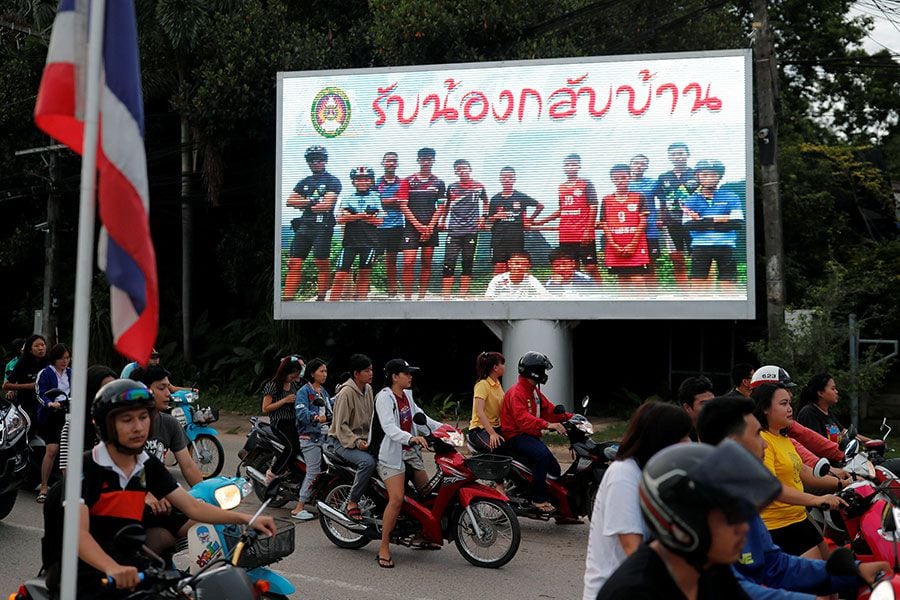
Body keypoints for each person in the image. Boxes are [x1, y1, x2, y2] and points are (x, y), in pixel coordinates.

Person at [42, 379, 276, 599]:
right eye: (127, 420)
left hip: (133, 567)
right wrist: (111, 568)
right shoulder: (85, 468)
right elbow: (78, 534)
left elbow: (192, 506)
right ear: (105, 425)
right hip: (87, 576)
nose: (138, 427)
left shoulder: (145, 463)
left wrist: (247, 518)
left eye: (143, 417)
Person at [697, 395, 886, 600]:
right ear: (732, 445)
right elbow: (734, 589)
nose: (765, 444)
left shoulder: (740, 502)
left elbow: (775, 565)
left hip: (799, 519)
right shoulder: (702, 510)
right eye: (757, 434)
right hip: (784, 525)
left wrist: (855, 573)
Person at [597, 441, 782, 600]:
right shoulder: (633, 593)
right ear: (684, 525)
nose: (744, 528)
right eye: (730, 519)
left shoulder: (711, 568)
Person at [582, 401, 693, 600]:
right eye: (682, 437)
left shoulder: (653, 474)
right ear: (662, 439)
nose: (689, 444)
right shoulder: (624, 475)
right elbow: (633, 549)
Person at [753, 383, 847, 558]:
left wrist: (842, 483)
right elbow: (771, 488)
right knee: (818, 577)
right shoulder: (763, 442)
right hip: (779, 526)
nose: (790, 409)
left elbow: (803, 471)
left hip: (799, 517)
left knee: (832, 568)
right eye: (783, 404)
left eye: (790, 403)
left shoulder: (782, 437)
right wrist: (816, 500)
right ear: (765, 408)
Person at [369, 358, 443, 568]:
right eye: (407, 373)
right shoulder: (384, 397)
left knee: (428, 493)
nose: (410, 376)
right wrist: (411, 438)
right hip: (390, 454)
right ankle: (384, 546)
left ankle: (422, 534)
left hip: (409, 452)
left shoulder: (406, 396)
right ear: (394, 376)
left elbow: (422, 418)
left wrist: (446, 430)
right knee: (397, 499)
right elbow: (389, 428)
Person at [129, 364, 205, 552]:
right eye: (161, 388)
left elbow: (187, 466)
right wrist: (144, 495)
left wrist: (206, 492)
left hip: (165, 501)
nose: (168, 394)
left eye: (168, 388)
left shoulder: (169, 423)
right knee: (162, 541)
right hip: (133, 505)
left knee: (210, 516)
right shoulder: (127, 428)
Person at [498, 352, 571, 514]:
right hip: (516, 436)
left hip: (530, 436)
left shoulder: (533, 391)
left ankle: (561, 510)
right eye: (543, 370)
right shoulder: (517, 392)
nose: (545, 374)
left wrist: (572, 418)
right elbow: (523, 420)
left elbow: (550, 410)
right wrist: (549, 425)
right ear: (534, 371)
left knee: (555, 470)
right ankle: (538, 499)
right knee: (542, 456)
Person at [283, 145, 341, 301]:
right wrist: (311, 202)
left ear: (325, 161)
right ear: (308, 162)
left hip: (323, 226)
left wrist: (303, 203)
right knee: (293, 263)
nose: (316, 162)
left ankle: (321, 297)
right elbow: (289, 201)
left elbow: (326, 205)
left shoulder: (332, 180)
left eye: (319, 159)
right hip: (304, 226)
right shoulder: (304, 182)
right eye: (312, 160)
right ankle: (287, 300)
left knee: (321, 262)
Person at [534, 154, 601, 282]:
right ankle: (578, 293)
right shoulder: (562, 187)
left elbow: (593, 207)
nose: (570, 167)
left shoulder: (586, 184)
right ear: (564, 167)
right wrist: (541, 221)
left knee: (591, 267)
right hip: (566, 234)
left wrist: (588, 230)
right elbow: (561, 210)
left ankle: (599, 294)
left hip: (583, 233)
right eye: (567, 164)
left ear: (579, 166)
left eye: (573, 164)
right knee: (573, 267)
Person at [327, 353, 376, 521]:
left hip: (364, 440)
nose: (371, 373)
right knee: (367, 463)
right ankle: (352, 502)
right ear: (356, 373)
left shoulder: (368, 389)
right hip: (341, 441)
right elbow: (341, 426)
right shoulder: (346, 393)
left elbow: (372, 418)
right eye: (367, 370)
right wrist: (356, 442)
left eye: (371, 370)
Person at [681, 159, 743, 291]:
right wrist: (723, 219)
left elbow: (737, 223)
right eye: (704, 175)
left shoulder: (731, 196)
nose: (709, 178)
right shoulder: (691, 199)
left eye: (713, 175)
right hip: (700, 247)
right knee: (697, 286)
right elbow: (688, 226)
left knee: (729, 286)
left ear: (719, 177)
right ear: (697, 176)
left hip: (726, 246)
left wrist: (702, 220)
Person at [400, 147, 446, 299]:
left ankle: (421, 297)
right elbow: (403, 206)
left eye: (429, 159)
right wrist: (418, 226)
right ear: (418, 160)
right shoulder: (407, 181)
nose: (426, 162)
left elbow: (440, 206)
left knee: (426, 263)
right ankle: (407, 298)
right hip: (412, 227)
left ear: (433, 161)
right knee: (408, 262)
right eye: (423, 159)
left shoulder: (439, 182)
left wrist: (429, 227)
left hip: (430, 227)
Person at [332, 166, 383, 301]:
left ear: (371, 181)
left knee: (364, 275)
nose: (362, 182)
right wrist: (363, 216)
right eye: (358, 179)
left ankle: (360, 304)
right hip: (350, 242)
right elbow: (339, 219)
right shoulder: (347, 197)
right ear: (353, 182)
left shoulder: (376, 197)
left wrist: (353, 214)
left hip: (369, 242)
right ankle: (330, 306)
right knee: (339, 276)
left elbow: (379, 221)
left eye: (366, 179)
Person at [439, 159, 488, 296]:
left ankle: (463, 295)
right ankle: (446, 296)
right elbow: (446, 205)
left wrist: (483, 217)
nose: (462, 171)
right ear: (455, 172)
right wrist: (443, 220)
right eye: (459, 169)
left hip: (471, 230)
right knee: (449, 262)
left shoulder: (479, 186)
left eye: (465, 168)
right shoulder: (452, 187)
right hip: (454, 230)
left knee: (467, 262)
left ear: (470, 169)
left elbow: (485, 201)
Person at [292, 357, 333, 520]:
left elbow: (331, 408)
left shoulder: (323, 391)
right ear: (312, 373)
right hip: (310, 438)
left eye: (326, 371)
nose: (325, 374)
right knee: (314, 470)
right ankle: (298, 507)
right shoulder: (304, 391)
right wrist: (316, 417)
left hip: (325, 436)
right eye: (321, 371)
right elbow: (301, 413)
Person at [598, 164, 651, 286]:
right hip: (615, 244)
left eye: (623, 177)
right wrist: (613, 244)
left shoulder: (639, 197)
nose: (620, 181)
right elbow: (604, 223)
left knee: (637, 278)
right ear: (612, 179)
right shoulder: (606, 199)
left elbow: (643, 222)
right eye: (616, 178)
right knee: (622, 279)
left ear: (630, 177)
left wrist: (633, 244)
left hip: (635, 243)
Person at [59, 365, 117, 474]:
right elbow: (67, 470)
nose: (110, 395)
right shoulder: (73, 425)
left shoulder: (120, 423)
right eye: (104, 389)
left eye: (113, 388)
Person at [654, 142, 697, 285]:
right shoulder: (663, 177)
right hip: (671, 223)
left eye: (680, 153)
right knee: (676, 258)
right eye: (673, 154)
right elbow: (661, 200)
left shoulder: (696, 174)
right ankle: (684, 291)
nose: (677, 157)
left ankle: (700, 290)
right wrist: (660, 218)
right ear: (669, 157)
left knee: (698, 256)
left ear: (687, 155)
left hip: (693, 223)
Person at [487, 166, 543, 275]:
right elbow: (489, 218)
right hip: (498, 236)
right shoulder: (495, 198)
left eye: (510, 177)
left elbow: (540, 206)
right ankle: (497, 290)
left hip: (516, 236)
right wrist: (496, 216)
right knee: (499, 265)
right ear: (500, 179)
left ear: (514, 179)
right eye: (504, 177)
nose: (507, 180)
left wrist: (530, 219)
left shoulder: (520, 196)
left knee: (514, 264)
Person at [35, 343, 71, 502]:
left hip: (69, 413)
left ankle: (68, 488)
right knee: (52, 449)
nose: (65, 361)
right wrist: (50, 403)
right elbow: (40, 393)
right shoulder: (45, 373)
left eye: (67, 358)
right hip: (52, 415)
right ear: (54, 359)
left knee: (70, 451)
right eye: (61, 358)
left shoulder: (71, 373)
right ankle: (44, 487)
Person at [260, 355, 304, 480]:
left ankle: (294, 473)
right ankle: (273, 472)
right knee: (291, 448)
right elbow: (265, 408)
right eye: (292, 375)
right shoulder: (272, 385)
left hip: (293, 421)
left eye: (296, 375)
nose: (294, 378)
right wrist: (284, 400)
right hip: (279, 422)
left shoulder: (294, 385)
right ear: (285, 372)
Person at [375, 151, 406, 297]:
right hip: (378, 226)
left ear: (397, 163)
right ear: (382, 163)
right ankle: (363, 288)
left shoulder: (403, 183)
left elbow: (404, 202)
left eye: (394, 160)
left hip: (396, 226)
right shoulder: (376, 183)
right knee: (370, 258)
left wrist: (387, 201)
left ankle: (392, 290)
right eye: (388, 160)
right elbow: (375, 203)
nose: (391, 163)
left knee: (391, 260)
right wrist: (392, 201)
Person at [3, 333, 47, 430]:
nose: (41, 348)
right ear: (30, 350)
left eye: (43, 345)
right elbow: (6, 386)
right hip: (26, 404)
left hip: (46, 403)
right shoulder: (22, 363)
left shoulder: (49, 362)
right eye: (36, 346)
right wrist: (29, 386)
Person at [467, 351, 506, 453]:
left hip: (496, 427)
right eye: (502, 363)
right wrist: (492, 433)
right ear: (495, 368)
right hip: (479, 430)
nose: (504, 366)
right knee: (498, 447)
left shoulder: (497, 384)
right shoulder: (482, 385)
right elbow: (479, 412)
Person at [627, 154, 661, 263]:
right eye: (636, 163)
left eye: (642, 164)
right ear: (630, 165)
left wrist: (660, 219)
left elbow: (663, 201)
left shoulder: (653, 183)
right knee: (632, 259)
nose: (639, 166)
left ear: (647, 167)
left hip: (650, 226)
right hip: (630, 226)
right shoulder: (624, 183)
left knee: (652, 261)